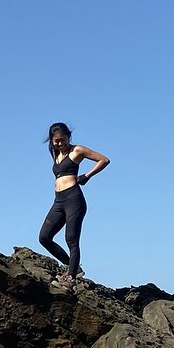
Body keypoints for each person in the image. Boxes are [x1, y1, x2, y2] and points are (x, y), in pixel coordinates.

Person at [38, 122, 110, 288]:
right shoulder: (55, 153)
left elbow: (104, 160)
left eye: (62, 139)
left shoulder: (77, 150)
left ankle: (70, 278)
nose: (59, 143)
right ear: (51, 140)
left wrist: (87, 175)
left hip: (74, 199)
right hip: (58, 201)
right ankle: (73, 267)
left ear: (68, 137)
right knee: (44, 237)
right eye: (56, 141)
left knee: (71, 239)